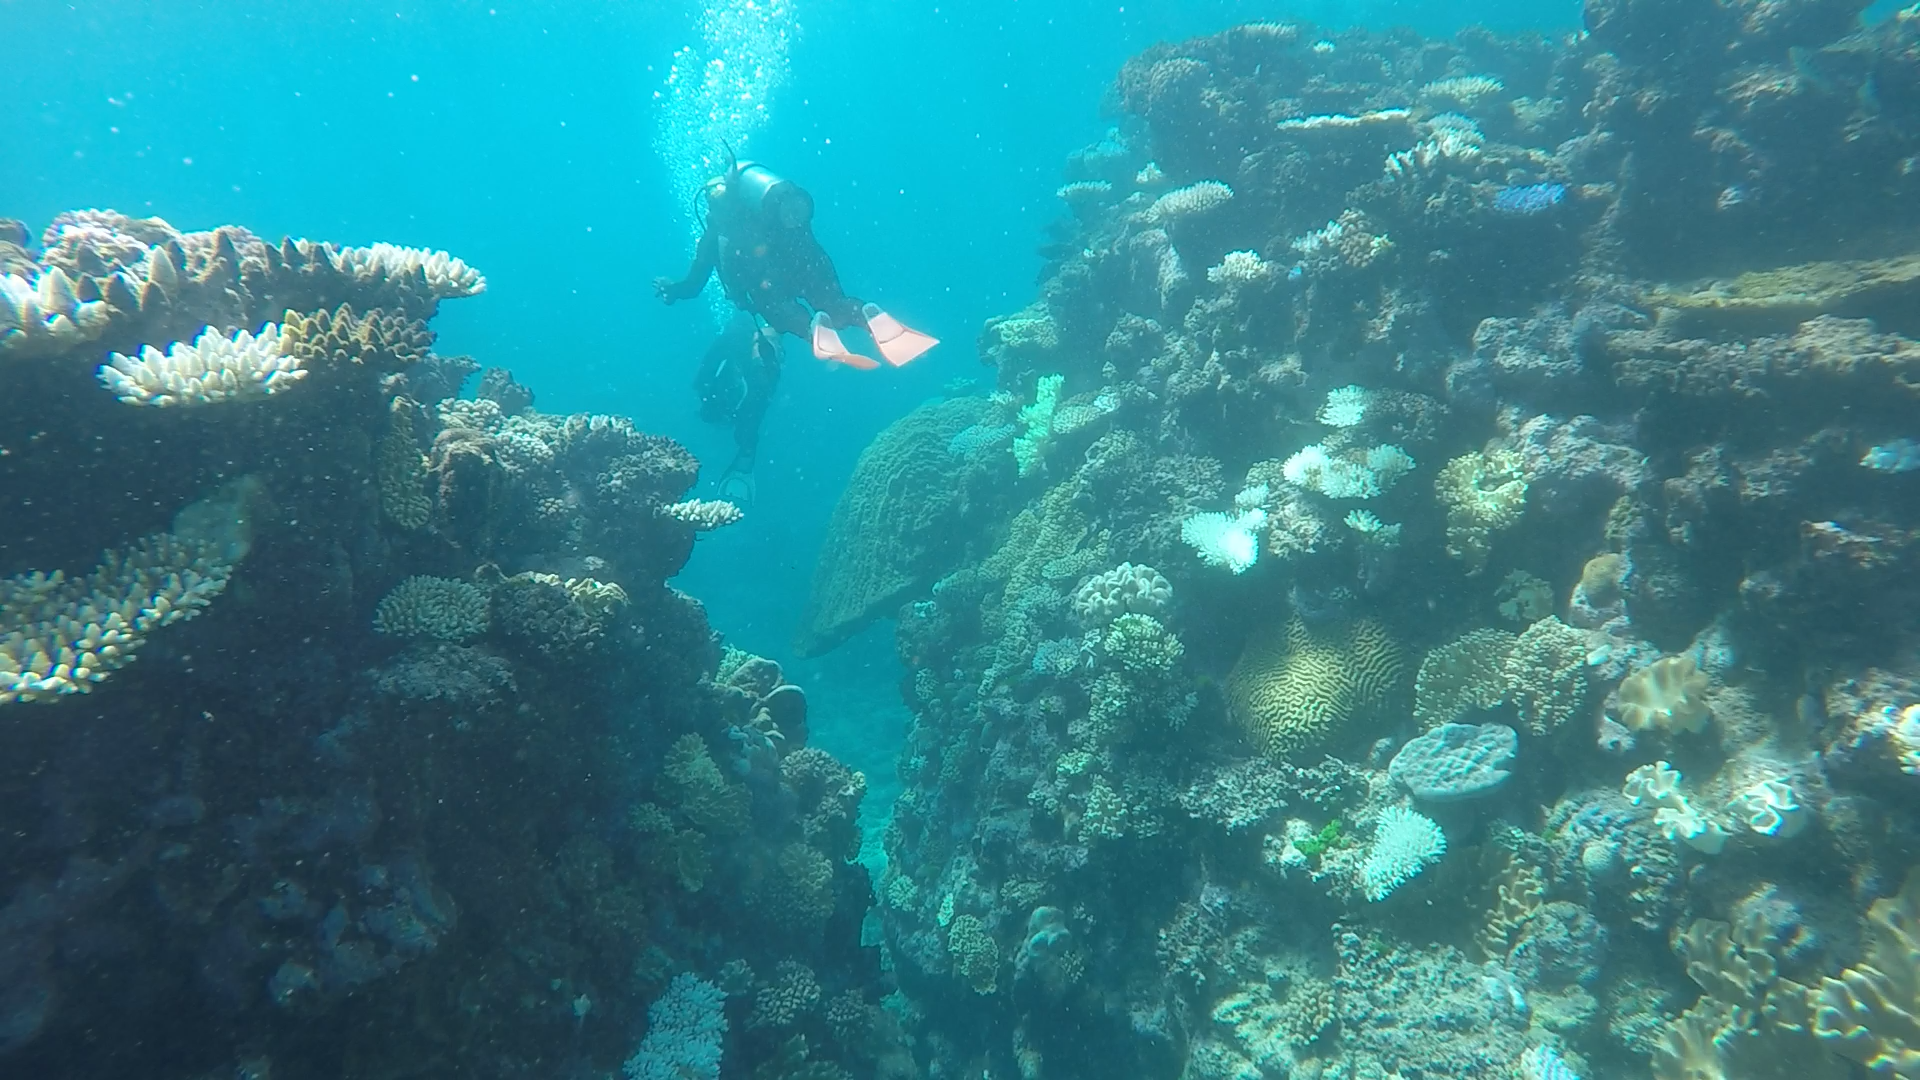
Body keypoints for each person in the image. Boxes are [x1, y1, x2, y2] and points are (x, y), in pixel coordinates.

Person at [654, 157, 938, 498]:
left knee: (783, 318)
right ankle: (867, 314)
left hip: (767, 287)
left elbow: (693, 286)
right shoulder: (771, 218)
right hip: (803, 253)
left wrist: (672, 289)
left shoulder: (715, 236)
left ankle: (811, 329)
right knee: (835, 303)